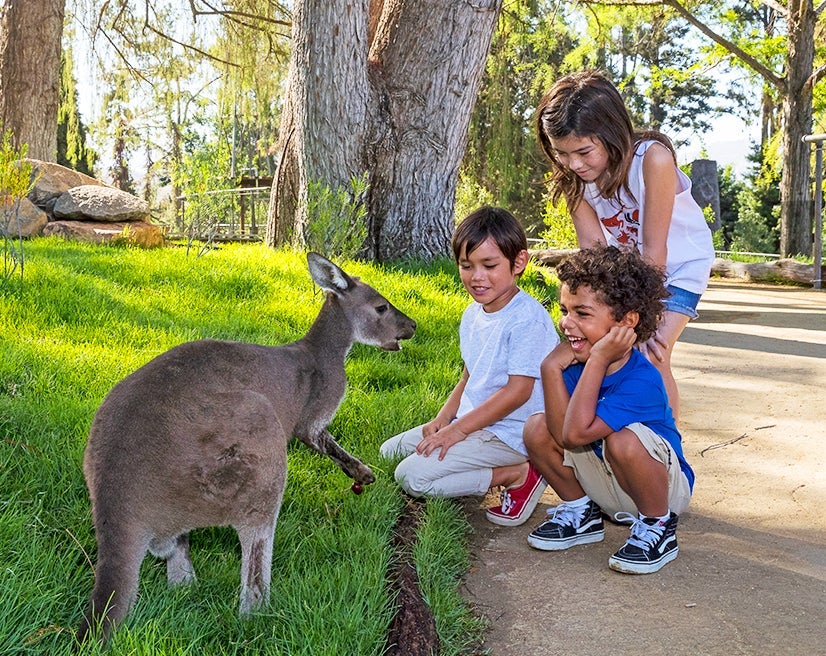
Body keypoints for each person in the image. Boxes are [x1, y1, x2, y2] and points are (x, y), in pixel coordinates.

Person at [535, 69, 714, 420]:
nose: (574, 163)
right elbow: (594, 253)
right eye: (562, 153)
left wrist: (641, 321)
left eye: (584, 151)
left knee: (650, 351)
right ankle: (617, 442)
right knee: (609, 350)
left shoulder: (653, 160)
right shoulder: (576, 180)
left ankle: (666, 451)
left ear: (612, 133)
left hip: (676, 269)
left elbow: (654, 249)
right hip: (631, 276)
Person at [380, 206, 559, 526]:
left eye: (489, 265)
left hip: (510, 435)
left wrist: (456, 432)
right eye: (467, 265)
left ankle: (516, 473)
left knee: (412, 478)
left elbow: (519, 392)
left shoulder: (527, 319)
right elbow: (469, 375)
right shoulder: (473, 314)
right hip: (474, 423)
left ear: (519, 262)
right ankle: (470, 463)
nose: (477, 277)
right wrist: (443, 419)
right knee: (388, 453)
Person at [523, 245, 694, 574]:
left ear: (626, 322)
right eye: (564, 310)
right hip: (608, 485)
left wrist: (591, 360)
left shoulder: (642, 380)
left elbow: (575, 435)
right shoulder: (572, 364)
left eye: (582, 314)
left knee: (623, 440)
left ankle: (658, 528)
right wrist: (552, 370)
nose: (566, 323)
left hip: (661, 492)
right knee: (536, 427)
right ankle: (581, 512)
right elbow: (561, 435)